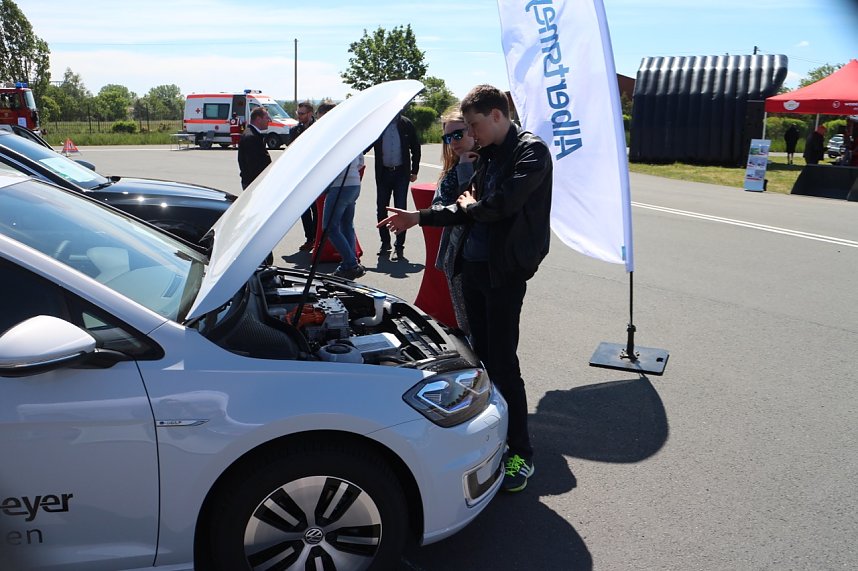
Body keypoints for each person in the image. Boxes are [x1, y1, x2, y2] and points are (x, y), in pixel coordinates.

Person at [377, 84, 553, 492]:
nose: (470, 135)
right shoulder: (489, 154)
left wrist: (471, 205)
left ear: (496, 115)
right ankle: (489, 434)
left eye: (474, 125)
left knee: (503, 362)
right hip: (471, 268)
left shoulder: (531, 152)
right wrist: (418, 218)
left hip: (504, 272)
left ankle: (521, 453)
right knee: (478, 355)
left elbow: (498, 206)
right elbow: (460, 205)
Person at [432, 111, 479, 335]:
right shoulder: (454, 170)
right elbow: (440, 208)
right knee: (470, 325)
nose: (453, 142)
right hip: (460, 257)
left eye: (457, 134)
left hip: (492, 259)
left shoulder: (496, 162)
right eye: (447, 138)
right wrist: (463, 169)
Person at [317, 101, 366, 279]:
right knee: (347, 225)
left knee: (329, 228)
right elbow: (361, 162)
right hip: (353, 184)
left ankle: (350, 263)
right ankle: (350, 262)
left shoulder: (331, 135)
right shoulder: (351, 132)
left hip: (340, 185)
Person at [372, 111, 420, 261]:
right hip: (383, 173)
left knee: (401, 209)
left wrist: (414, 170)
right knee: (381, 208)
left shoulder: (406, 124)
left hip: (401, 173)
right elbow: (365, 145)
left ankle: (399, 246)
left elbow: (416, 147)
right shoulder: (378, 125)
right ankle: (385, 243)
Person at [290, 101, 318, 251]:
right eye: (298, 114)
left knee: (317, 209)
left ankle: (317, 238)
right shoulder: (295, 131)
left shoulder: (319, 128)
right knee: (304, 209)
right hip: (300, 176)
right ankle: (309, 238)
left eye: (302, 114)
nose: (299, 116)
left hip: (316, 175)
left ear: (310, 113)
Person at [237, 107, 271, 190]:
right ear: (259, 119)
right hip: (253, 184)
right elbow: (254, 165)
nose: (269, 121)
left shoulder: (252, 134)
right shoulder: (251, 137)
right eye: (267, 118)